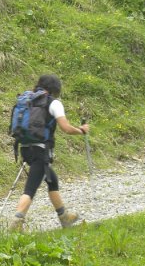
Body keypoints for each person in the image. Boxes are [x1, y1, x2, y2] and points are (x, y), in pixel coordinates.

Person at [9, 74, 90, 232]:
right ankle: (17, 221)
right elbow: (65, 128)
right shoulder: (53, 103)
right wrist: (81, 130)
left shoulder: (29, 100)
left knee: (52, 179)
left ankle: (64, 216)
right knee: (31, 188)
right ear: (56, 89)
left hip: (25, 147)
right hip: (40, 149)